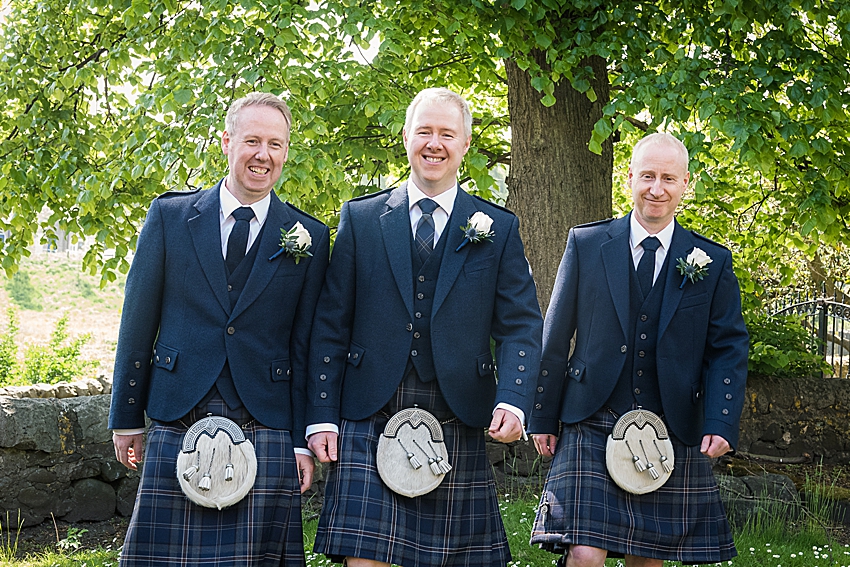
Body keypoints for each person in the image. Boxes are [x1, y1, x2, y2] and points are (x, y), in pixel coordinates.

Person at [306, 87, 544, 567]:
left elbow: (521, 325)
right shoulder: (362, 217)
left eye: (447, 134)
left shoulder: (498, 228)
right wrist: (321, 416)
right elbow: (331, 325)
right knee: (364, 556)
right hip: (368, 406)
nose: (434, 143)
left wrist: (515, 397)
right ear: (406, 137)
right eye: (425, 131)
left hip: (456, 407)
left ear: (465, 145)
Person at [108, 92, 330, 566]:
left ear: (286, 151)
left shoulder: (309, 237)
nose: (262, 155)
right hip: (177, 410)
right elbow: (138, 322)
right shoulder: (170, 217)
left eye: (275, 143)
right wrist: (126, 414)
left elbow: (305, 346)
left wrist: (299, 439)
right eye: (252, 140)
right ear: (227, 142)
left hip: (266, 418)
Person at [529, 132, 749, 566]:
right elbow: (555, 339)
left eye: (668, 178)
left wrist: (721, 419)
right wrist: (542, 414)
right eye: (647, 175)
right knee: (585, 552)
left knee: (648, 556)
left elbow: (727, 348)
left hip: (669, 424)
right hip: (591, 417)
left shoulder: (712, 261)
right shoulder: (587, 245)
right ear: (629, 178)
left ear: (686, 182)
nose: (656, 188)